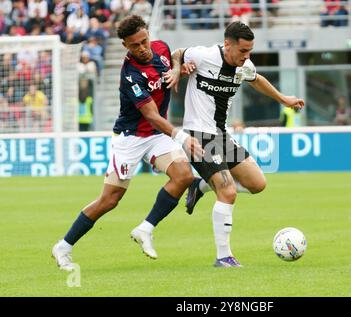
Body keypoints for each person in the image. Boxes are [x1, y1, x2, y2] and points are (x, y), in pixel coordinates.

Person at [51, 15, 203, 271]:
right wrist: (182, 137)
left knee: (184, 176)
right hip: (131, 138)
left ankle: (145, 229)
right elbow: (152, 116)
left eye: (145, 41)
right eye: (135, 45)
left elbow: (176, 54)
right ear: (125, 45)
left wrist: (178, 69)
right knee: (110, 200)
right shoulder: (130, 75)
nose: (143, 48)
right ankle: (63, 246)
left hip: (155, 137)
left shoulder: (161, 48)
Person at [175, 22, 304, 267]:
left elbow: (256, 79)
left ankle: (199, 186)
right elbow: (178, 52)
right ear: (227, 44)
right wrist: (176, 69)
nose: (247, 57)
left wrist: (284, 99)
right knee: (228, 192)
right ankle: (223, 256)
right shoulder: (204, 56)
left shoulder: (245, 66)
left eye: (250, 51)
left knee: (257, 184)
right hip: (199, 135)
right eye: (243, 51)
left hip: (221, 135)